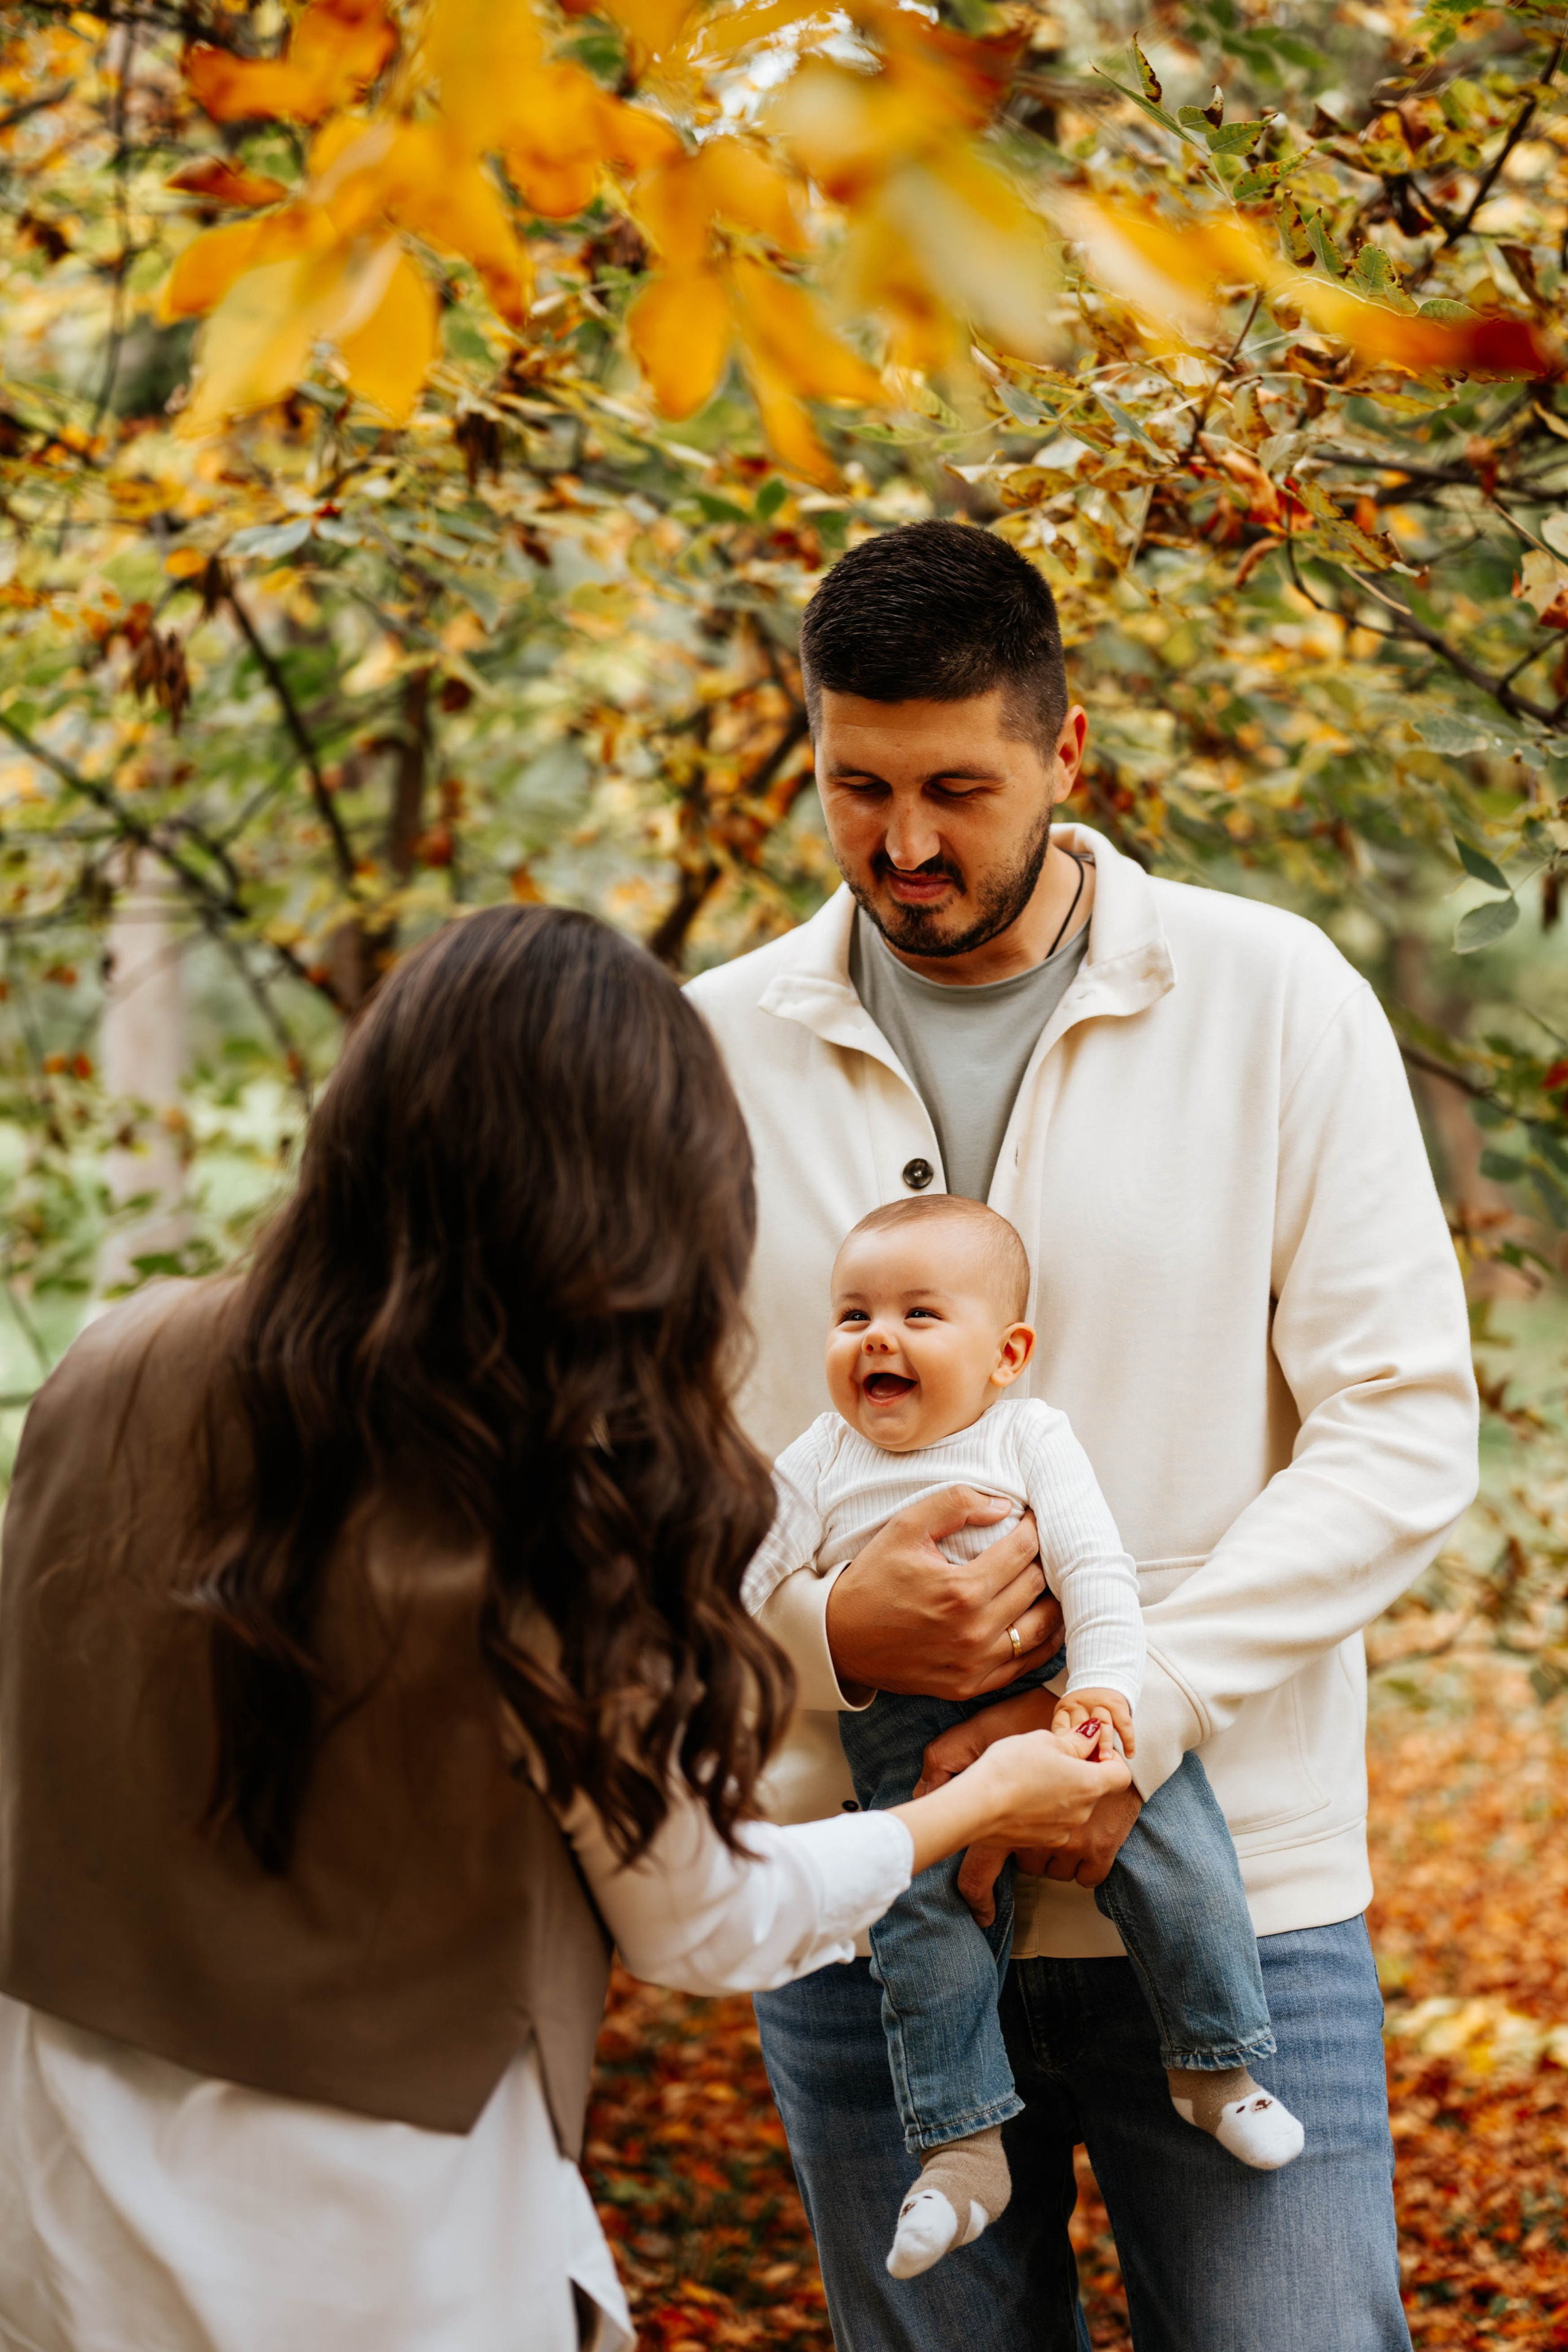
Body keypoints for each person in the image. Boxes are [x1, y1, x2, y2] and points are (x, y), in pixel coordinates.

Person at [0, 905, 1128, 2352]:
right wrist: (973, 1800)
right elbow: (701, 1915)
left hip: (54, 2197)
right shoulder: (546, 1484)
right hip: (370, 2252)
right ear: (641, 1197)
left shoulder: (107, 1364)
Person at [685, 519, 1479, 2351]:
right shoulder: (708, 1051)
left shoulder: (1275, 999)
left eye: (958, 787)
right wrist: (817, 1642)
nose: (904, 845)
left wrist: (1138, 1710)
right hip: (859, 1892)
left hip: (1238, 1901)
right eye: (856, 787)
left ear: (1069, 751)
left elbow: (1400, 1429)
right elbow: (639, 1476)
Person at [747, 1191, 1305, 2282]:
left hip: (1057, 1692)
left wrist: (1101, 1694)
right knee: (924, 1928)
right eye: (852, 1316)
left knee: (1181, 1856)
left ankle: (1215, 2063)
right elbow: (740, 1576)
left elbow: (1098, 1568)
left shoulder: (1026, 1434)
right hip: (903, 1739)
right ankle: (963, 2152)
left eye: (918, 1315)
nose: (877, 1339)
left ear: (1007, 1355)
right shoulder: (818, 1459)